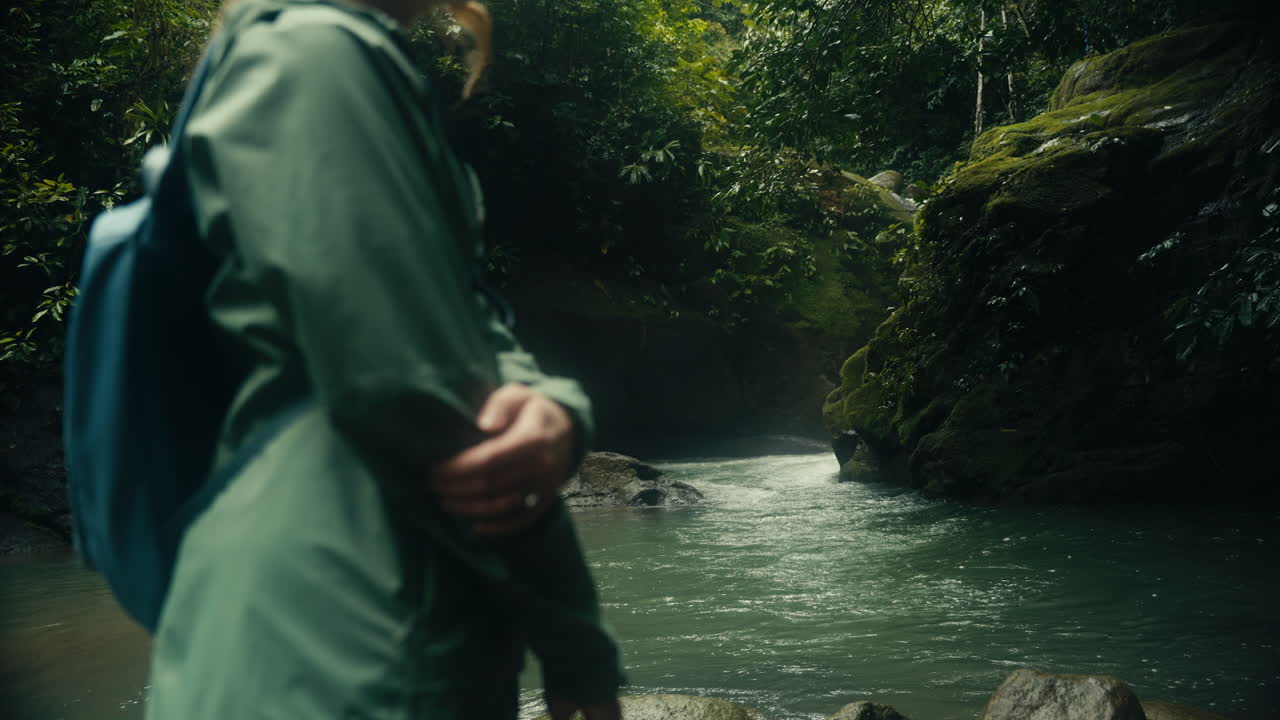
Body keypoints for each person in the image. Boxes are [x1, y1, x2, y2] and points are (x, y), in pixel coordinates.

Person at [142, 0, 624, 718]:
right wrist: (578, 646)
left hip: (329, 629)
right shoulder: (314, 55)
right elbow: (421, 398)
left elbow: (465, 325)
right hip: (349, 636)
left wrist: (556, 412)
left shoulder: (318, 56)